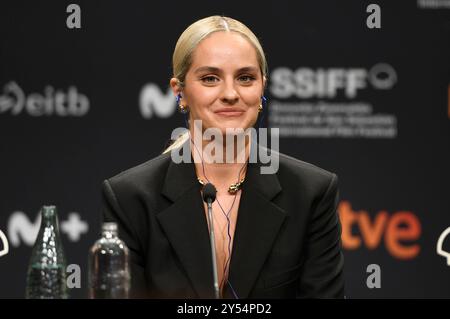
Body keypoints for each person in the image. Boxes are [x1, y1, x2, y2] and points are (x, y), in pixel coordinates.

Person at [101, 15, 344, 299]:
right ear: (179, 92)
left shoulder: (310, 192)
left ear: (262, 87)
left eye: (245, 78)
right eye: (210, 78)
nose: (230, 93)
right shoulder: (130, 197)